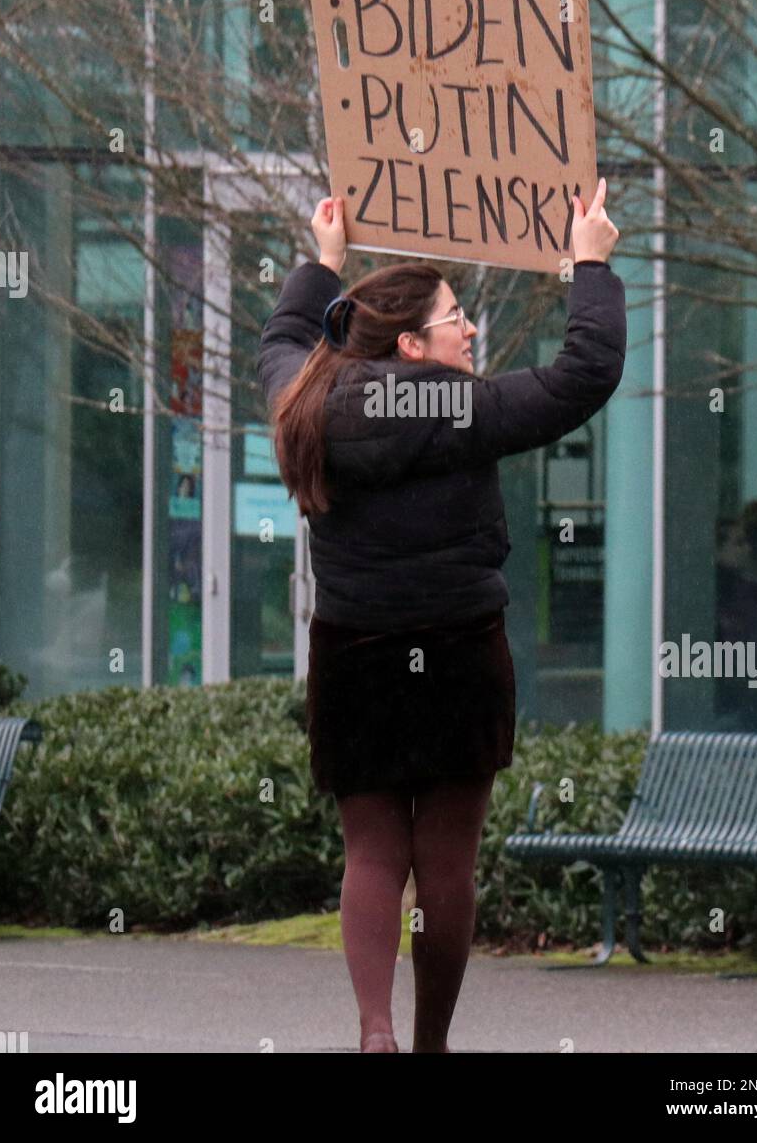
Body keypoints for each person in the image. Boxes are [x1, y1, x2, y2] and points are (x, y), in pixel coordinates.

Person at [256, 177, 625, 1052]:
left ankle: (374, 1029)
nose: (471, 330)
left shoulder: (304, 407)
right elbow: (584, 374)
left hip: (354, 654)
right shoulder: (467, 408)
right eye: (457, 317)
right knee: (447, 863)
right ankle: (429, 1045)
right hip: (460, 652)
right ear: (415, 345)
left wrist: (321, 263)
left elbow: (280, 341)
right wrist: (590, 264)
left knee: (373, 854)